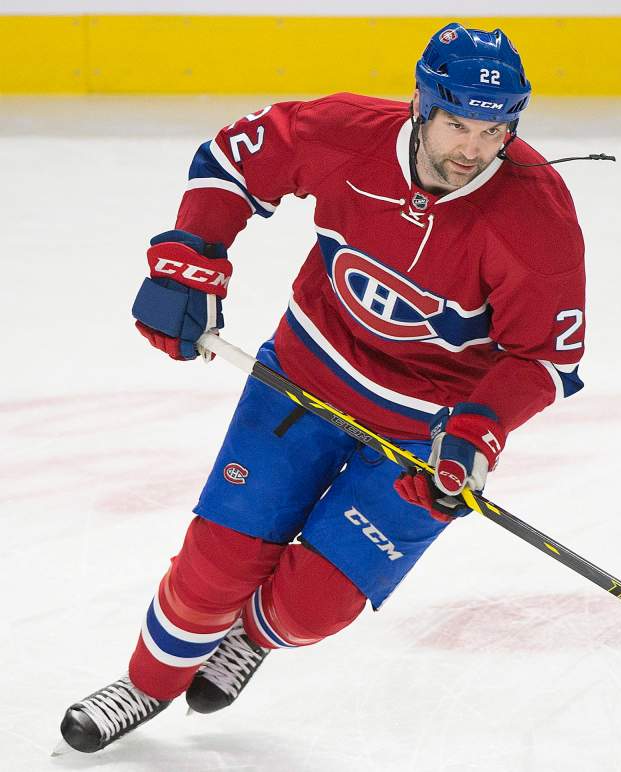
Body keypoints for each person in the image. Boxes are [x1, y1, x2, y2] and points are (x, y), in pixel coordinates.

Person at [58, 22, 587, 754]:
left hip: (419, 429)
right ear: (420, 106)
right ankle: (147, 683)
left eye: (493, 130)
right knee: (217, 562)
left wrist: (478, 433)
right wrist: (189, 254)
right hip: (302, 377)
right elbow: (232, 160)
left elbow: (543, 358)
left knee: (316, 607)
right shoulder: (348, 132)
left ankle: (252, 638)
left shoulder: (537, 216)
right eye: (457, 123)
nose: (472, 148)